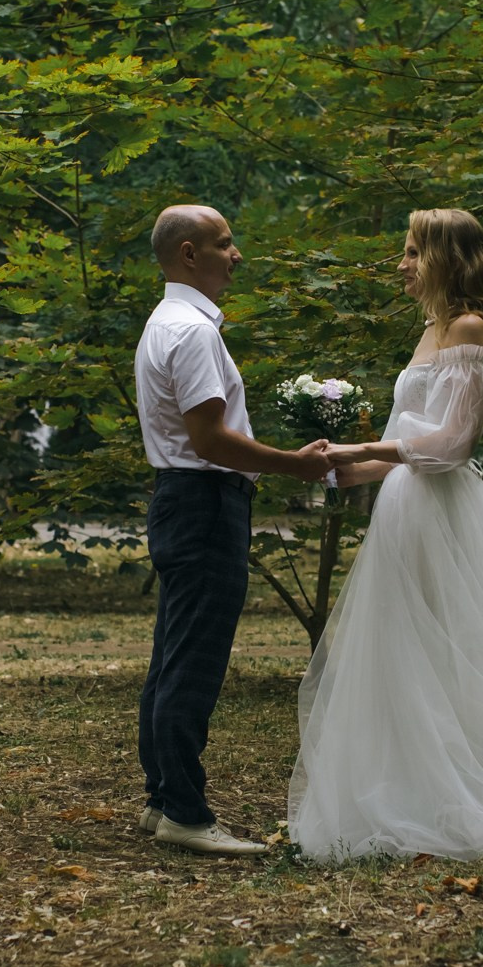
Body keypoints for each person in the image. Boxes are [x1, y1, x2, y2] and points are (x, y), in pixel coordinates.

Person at [291, 208, 483, 860]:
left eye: (411, 252)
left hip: (442, 510)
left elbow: (452, 444)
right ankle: (406, 786)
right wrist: (339, 468)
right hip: (403, 506)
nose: (401, 264)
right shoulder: (430, 330)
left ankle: (465, 794)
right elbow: (410, 439)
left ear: (444, 257)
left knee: (444, 646)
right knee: (402, 646)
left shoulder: (467, 328)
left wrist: (369, 445)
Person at [135, 204, 332, 856]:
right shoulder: (191, 332)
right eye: (225, 244)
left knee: (171, 657)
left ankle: (163, 799)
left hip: (181, 499)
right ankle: (185, 814)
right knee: (192, 665)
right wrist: (294, 464)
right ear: (190, 254)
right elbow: (212, 439)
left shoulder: (165, 323)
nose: (237, 255)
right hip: (204, 503)